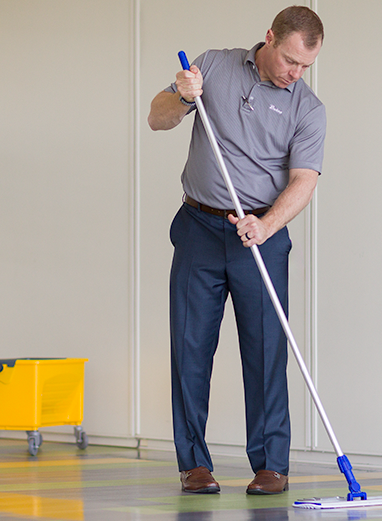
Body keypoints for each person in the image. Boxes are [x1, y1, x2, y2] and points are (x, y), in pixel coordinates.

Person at [147, 6, 326, 495]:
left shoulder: (307, 109)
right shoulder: (214, 66)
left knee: (266, 351)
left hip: (261, 238)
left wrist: (266, 225)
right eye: (290, 61)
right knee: (189, 347)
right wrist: (181, 96)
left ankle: (271, 466)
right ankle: (194, 464)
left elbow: (303, 182)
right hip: (199, 227)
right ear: (269, 38)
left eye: (305, 66)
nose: (296, 73)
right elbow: (157, 119)